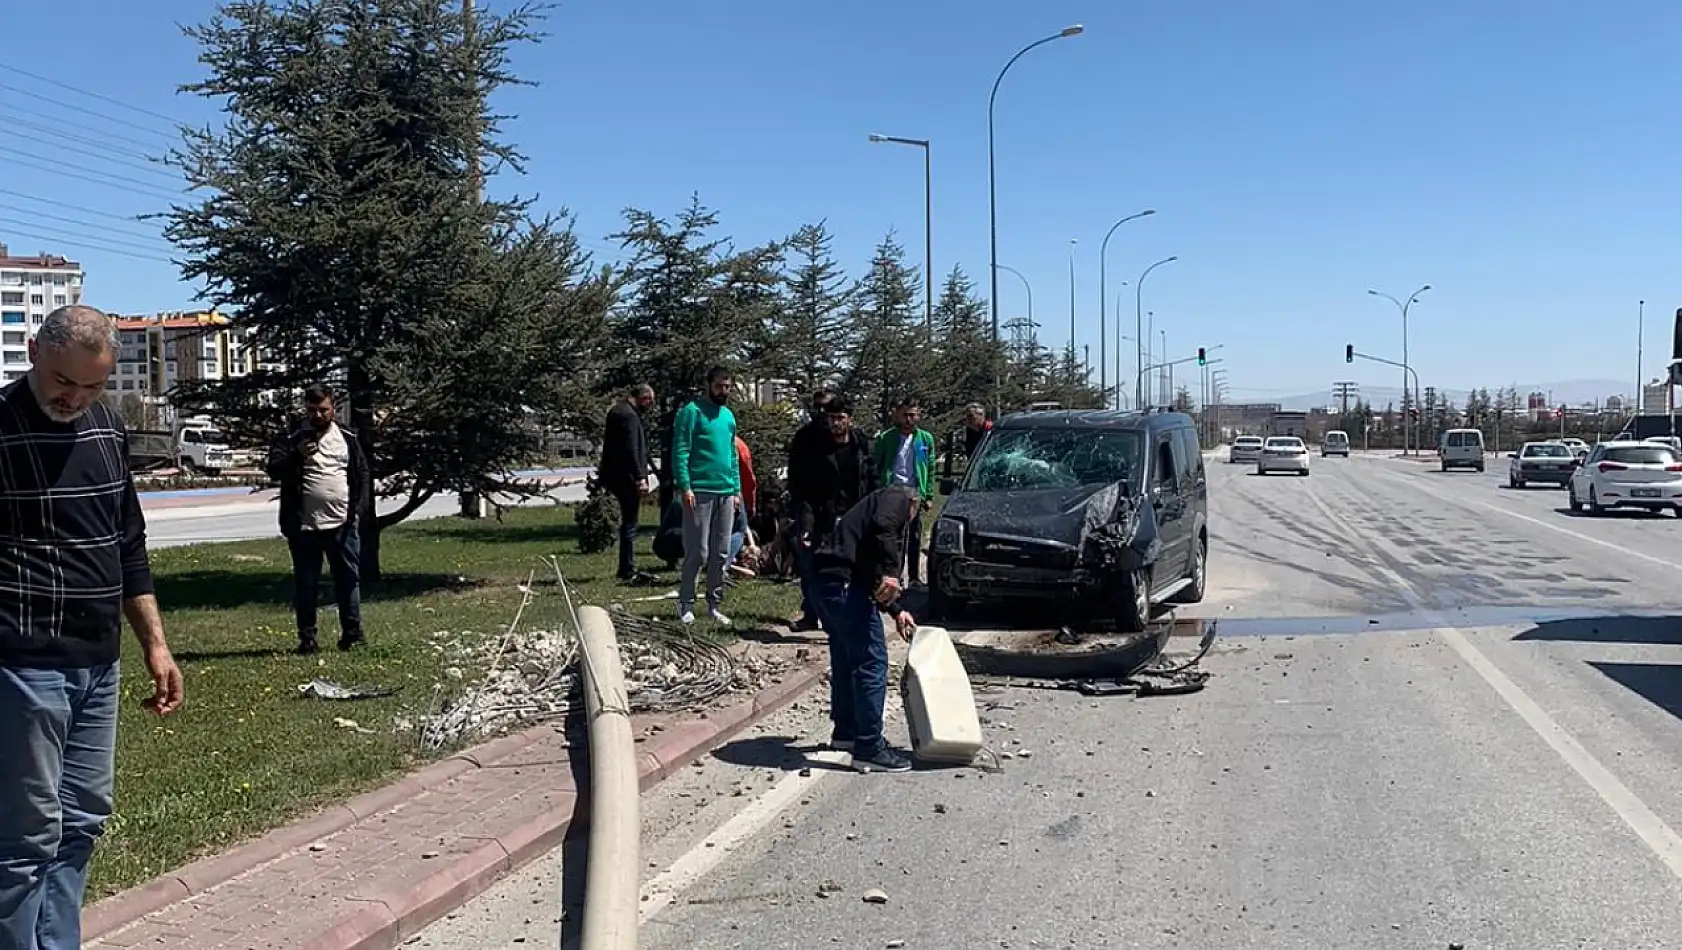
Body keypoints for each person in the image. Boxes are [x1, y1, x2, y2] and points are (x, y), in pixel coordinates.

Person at [0, 305, 184, 950]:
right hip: (21, 665)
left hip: (97, 664)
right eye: (62, 383)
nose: (74, 400)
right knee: (24, 837)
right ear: (32, 352)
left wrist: (154, 645)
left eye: (93, 386)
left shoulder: (106, 426)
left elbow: (127, 540)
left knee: (81, 821)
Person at [811, 485, 920, 773]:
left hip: (825, 583)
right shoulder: (898, 498)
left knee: (847, 658)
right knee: (872, 662)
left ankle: (846, 732)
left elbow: (868, 571)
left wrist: (897, 610)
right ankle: (869, 747)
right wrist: (892, 571)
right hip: (844, 588)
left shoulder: (866, 522)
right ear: (915, 505)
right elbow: (884, 530)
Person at [266, 384, 371, 654]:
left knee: (348, 580)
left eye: (323, 410)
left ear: (333, 409)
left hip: (342, 525)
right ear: (305, 409)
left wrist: (356, 512)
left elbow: (362, 474)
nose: (318, 415)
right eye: (312, 410)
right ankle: (307, 640)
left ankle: (352, 634)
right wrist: (295, 455)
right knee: (307, 583)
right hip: (304, 527)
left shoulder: (347, 436)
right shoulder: (291, 437)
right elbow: (274, 470)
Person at [787, 395, 874, 626]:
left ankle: (849, 614)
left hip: (854, 515)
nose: (834, 422)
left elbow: (872, 480)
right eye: (830, 417)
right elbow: (803, 486)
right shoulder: (815, 446)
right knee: (814, 567)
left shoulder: (861, 445)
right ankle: (815, 613)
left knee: (854, 568)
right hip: (821, 516)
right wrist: (804, 522)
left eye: (839, 417)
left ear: (849, 420)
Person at [672, 366, 740, 625]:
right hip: (699, 491)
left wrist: (736, 490)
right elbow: (680, 450)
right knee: (697, 551)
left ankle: (714, 604)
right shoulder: (692, 412)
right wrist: (685, 485)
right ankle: (686, 602)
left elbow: (732, 455)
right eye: (720, 386)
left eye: (728, 386)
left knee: (720, 552)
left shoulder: (728, 416)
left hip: (725, 491)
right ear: (709, 384)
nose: (724, 391)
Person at [782, 390, 833, 630]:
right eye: (817, 407)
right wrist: (797, 503)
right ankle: (811, 614)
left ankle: (834, 614)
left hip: (836, 508)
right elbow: (794, 473)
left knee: (836, 563)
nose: (821, 412)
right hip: (808, 508)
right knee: (808, 562)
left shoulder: (842, 436)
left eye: (826, 407)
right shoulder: (803, 437)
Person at [872, 395, 936, 586]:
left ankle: (914, 576)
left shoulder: (925, 439)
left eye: (913, 415)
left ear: (918, 416)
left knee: (914, 536)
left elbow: (930, 468)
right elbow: (877, 465)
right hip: (893, 491)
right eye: (905, 415)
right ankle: (894, 574)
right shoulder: (886, 438)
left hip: (915, 492)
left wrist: (929, 494)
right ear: (897, 415)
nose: (908, 420)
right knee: (894, 537)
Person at [598, 384, 656, 582]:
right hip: (628, 477)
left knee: (627, 522)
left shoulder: (616, 411)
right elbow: (632, 448)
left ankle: (626, 565)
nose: (650, 405)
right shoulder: (630, 416)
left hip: (615, 475)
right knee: (630, 523)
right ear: (643, 398)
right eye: (650, 400)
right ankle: (627, 567)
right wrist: (640, 477)